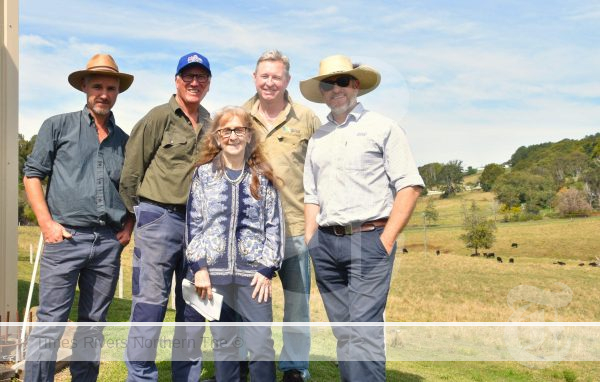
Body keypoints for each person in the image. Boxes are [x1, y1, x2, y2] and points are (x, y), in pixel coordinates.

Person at [300, 55, 424, 381]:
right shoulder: (318, 138)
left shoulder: (383, 128)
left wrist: (384, 241)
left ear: (356, 85)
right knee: (344, 331)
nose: (335, 89)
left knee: (364, 329)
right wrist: (311, 241)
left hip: (370, 239)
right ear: (322, 91)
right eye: (328, 84)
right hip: (325, 245)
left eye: (342, 81)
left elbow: (409, 186)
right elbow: (311, 195)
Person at [22, 53, 134, 381]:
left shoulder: (124, 141)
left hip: (107, 244)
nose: (103, 93)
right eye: (97, 85)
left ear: (117, 92)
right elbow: (32, 175)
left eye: (110, 87)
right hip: (64, 238)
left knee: (93, 327)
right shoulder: (57, 126)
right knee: (50, 326)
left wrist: (128, 226)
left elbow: (132, 188)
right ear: (84, 86)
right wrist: (46, 223)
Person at [119, 52, 212, 381]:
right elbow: (131, 173)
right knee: (150, 305)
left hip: (200, 227)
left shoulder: (212, 124)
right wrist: (141, 214)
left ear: (209, 83)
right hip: (159, 218)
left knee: (194, 308)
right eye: (188, 76)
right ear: (176, 80)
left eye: (201, 77)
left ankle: (186, 376)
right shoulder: (158, 117)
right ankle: (141, 375)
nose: (194, 82)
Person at [185, 106, 284, 382]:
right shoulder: (203, 174)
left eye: (239, 129)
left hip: (254, 279)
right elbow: (193, 224)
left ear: (249, 135)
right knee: (225, 346)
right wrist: (199, 268)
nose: (232, 135)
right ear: (217, 137)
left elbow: (275, 224)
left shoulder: (262, 176)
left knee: (261, 343)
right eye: (226, 130)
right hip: (214, 276)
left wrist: (267, 269)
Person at [241, 50, 320, 382]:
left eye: (276, 76)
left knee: (297, 307)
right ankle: (245, 362)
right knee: (247, 304)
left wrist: (313, 228)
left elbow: (321, 172)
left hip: (295, 229)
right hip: (250, 232)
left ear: (287, 80)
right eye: (264, 76)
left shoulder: (307, 119)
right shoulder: (239, 116)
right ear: (254, 78)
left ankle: (294, 369)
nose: (269, 82)